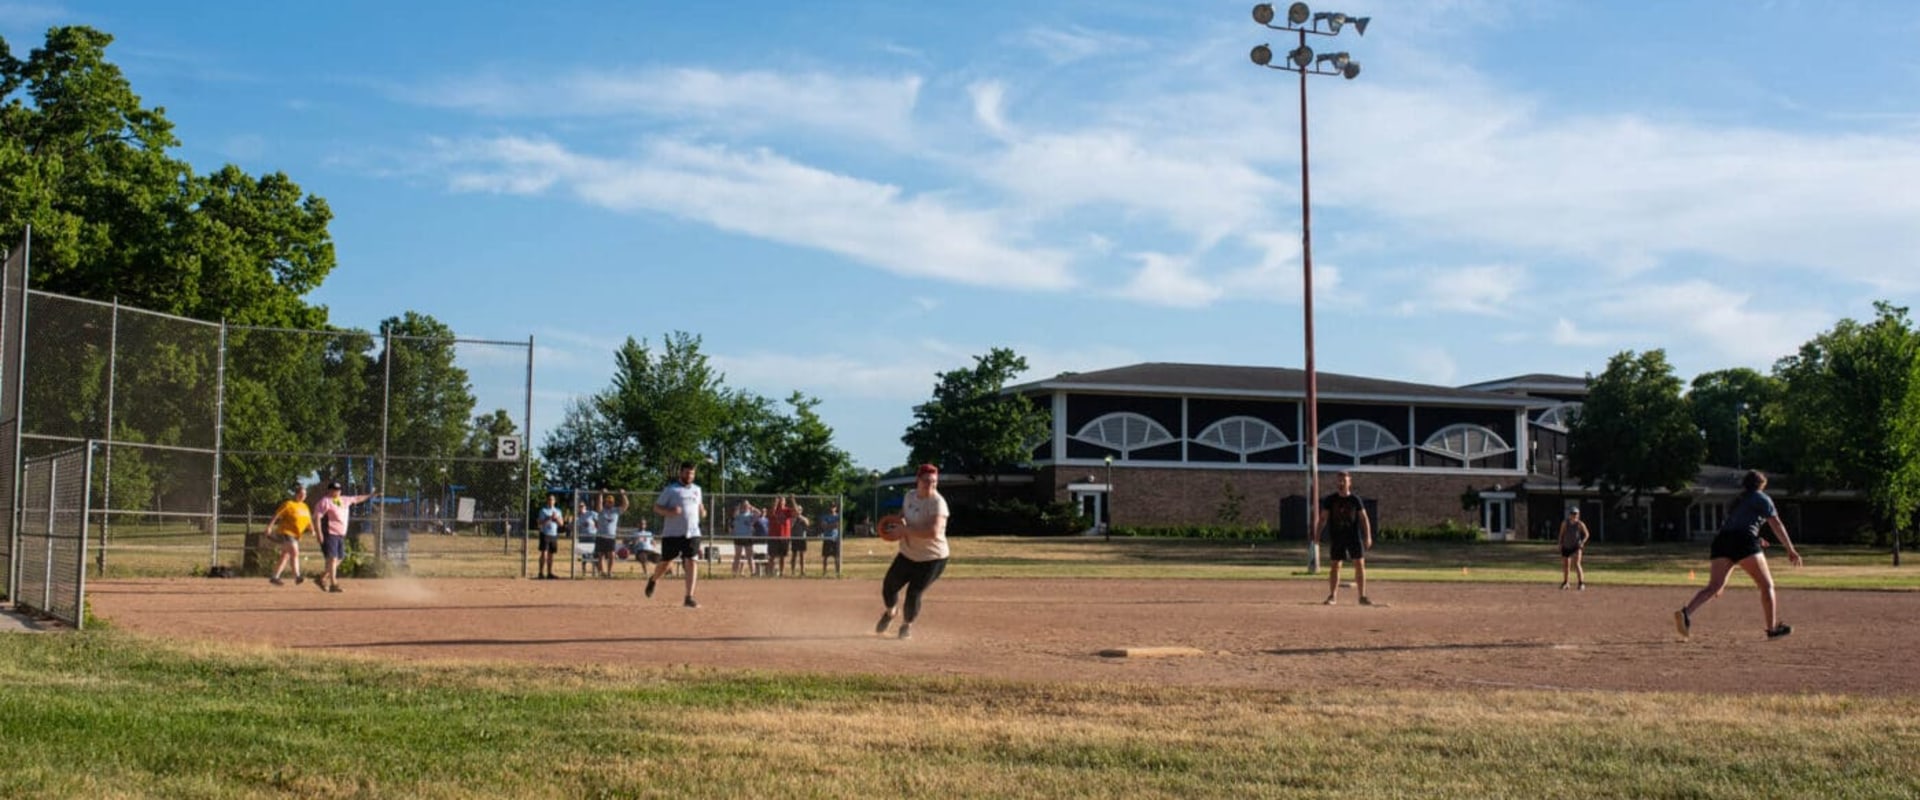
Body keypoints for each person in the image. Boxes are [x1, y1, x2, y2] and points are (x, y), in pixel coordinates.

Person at [1676, 470, 1803, 640]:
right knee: (1766, 586)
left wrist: (1756, 539)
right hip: (1744, 541)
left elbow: (1736, 526)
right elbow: (1776, 523)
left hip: (1722, 541)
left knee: (1714, 586)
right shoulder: (1762, 497)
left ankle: (1686, 613)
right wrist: (1790, 549)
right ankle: (1772, 629)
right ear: (1762, 485)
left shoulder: (1737, 500)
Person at [874, 464, 950, 640]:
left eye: (934, 482)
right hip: (908, 554)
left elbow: (933, 532)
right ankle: (891, 612)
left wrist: (905, 531)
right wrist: (892, 525)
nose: (930, 484)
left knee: (913, 593)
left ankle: (906, 625)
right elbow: (902, 516)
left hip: (932, 558)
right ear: (918, 480)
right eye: (926, 481)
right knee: (888, 587)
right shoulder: (909, 496)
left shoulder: (938, 503)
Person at [646, 461, 704, 608]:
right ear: (681, 473)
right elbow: (657, 508)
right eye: (687, 472)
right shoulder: (671, 490)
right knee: (665, 563)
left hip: (692, 533)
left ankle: (689, 597)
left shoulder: (697, 489)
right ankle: (653, 579)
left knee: (691, 560)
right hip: (672, 533)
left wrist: (703, 512)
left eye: (692, 473)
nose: (689, 475)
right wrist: (669, 512)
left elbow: (700, 507)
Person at [1314, 471, 1373, 605]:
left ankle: (1362, 596)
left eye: (1344, 481)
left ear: (1349, 482)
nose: (1341, 483)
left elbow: (1364, 519)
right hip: (1337, 536)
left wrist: (1367, 536)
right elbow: (1323, 518)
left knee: (1359, 564)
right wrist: (1317, 535)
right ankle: (1332, 596)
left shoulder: (1355, 500)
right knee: (1335, 565)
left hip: (1353, 536)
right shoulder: (1330, 500)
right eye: (1339, 481)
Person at [312, 481, 377, 593]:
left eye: (338, 489)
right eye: (333, 489)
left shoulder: (344, 500)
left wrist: (371, 495)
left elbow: (357, 498)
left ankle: (322, 577)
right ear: (329, 490)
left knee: (340, 558)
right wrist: (319, 533)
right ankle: (334, 584)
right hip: (329, 533)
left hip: (340, 535)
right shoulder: (325, 501)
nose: (336, 491)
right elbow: (317, 518)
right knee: (333, 559)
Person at [265, 484, 313, 586]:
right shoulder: (289, 504)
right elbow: (276, 515)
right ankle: (297, 576)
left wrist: (312, 530)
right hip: (286, 532)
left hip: (296, 535)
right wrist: (269, 527)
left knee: (285, 556)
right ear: (296, 494)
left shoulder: (305, 507)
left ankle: (275, 577)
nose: (303, 496)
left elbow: (308, 521)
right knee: (295, 552)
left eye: (304, 494)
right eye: (301, 494)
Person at [595, 490, 629, 578]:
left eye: (611, 502)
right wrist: (601, 494)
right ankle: (602, 573)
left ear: (613, 503)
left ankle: (609, 572)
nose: (609, 503)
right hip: (601, 536)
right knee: (601, 555)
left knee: (612, 555)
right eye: (608, 501)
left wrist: (623, 494)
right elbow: (599, 505)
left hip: (611, 537)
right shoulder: (602, 510)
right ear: (605, 502)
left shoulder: (616, 510)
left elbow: (626, 505)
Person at [1557, 507, 1590, 590]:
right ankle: (1566, 582)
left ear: (1578, 515)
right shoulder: (1565, 523)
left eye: (1575, 514)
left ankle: (1581, 583)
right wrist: (1560, 543)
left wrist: (1582, 542)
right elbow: (1561, 534)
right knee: (1566, 565)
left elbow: (1587, 534)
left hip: (1576, 546)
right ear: (1570, 515)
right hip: (1566, 545)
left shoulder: (1580, 524)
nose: (1574, 515)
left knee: (1577, 564)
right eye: (1572, 513)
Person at [766, 495, 796, 577]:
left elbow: (796, 513)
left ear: (785, 502)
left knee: (783, 556)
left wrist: (793, 501)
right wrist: (775, 503)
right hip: (774, 536)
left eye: (782, 500)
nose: (781, 502)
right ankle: (770, 573)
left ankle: (781, 573)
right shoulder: (774, 509)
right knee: (772, 556)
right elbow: (771, 513)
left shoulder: (787, 510)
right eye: (780, 500)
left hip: (785, 536)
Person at [535, 494, 564, 580]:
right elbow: (539, 523)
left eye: (552, 500)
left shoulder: (558, 511)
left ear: (554, 501)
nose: (551, 501)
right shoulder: (543, 510)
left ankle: (549, 573)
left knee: (551, 555)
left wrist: (556, 519)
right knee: (544, 553)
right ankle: (540, 573)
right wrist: (549, 518)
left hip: (553, 534)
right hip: (545, 534)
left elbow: (561, 524)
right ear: (547, 501)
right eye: (549, 499)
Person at [730, 500, 760, 577]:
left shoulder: (750, 515)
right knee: (737, 555)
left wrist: (752, 508)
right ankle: (734, 573)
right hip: (738, 537)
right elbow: (734, 515)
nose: (745, 507)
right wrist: (739, 508)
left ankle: (753, 573)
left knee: (749, 556)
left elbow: (759, 513)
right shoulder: (737, 514)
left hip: (748, 537)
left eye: (746, 505)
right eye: (744, 505)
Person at [787, 496, 812, 577]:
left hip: (802, 538)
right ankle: (793, 571)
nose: (798, 511)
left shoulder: (803, 518)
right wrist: (794, 518)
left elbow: (807, 523)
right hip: (794, 538)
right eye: (797, 509)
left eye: (800, 509)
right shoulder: (792, 519)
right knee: (794, 555)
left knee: (802, 555)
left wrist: (800, 516)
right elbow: (790, 526)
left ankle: (802, 571)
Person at [573, 501, 599, 577]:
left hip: (592, 536)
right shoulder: (577, 517)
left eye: (582, 506)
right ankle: (583, 573)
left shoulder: (591, 513)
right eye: (579, 506)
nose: (581, 508)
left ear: (585, 507)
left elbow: (599, 519)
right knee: (584, 556)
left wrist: (597, 527)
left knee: (594, 555)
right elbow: (574, 527)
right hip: (583, 537)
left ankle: (596, 572)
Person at [817, 503, 842, 576]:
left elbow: (837, 525)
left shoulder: (838, 516)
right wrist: (832, 525)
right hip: (827, 538)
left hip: (835, 539)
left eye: (834, 507)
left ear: (836, 508)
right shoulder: (825, 516)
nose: (832, 508)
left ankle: (837, 573)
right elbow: (824, 526)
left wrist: (829, 525)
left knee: (836, 556)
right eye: (831, 506)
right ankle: (824, 572)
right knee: (825, 557)